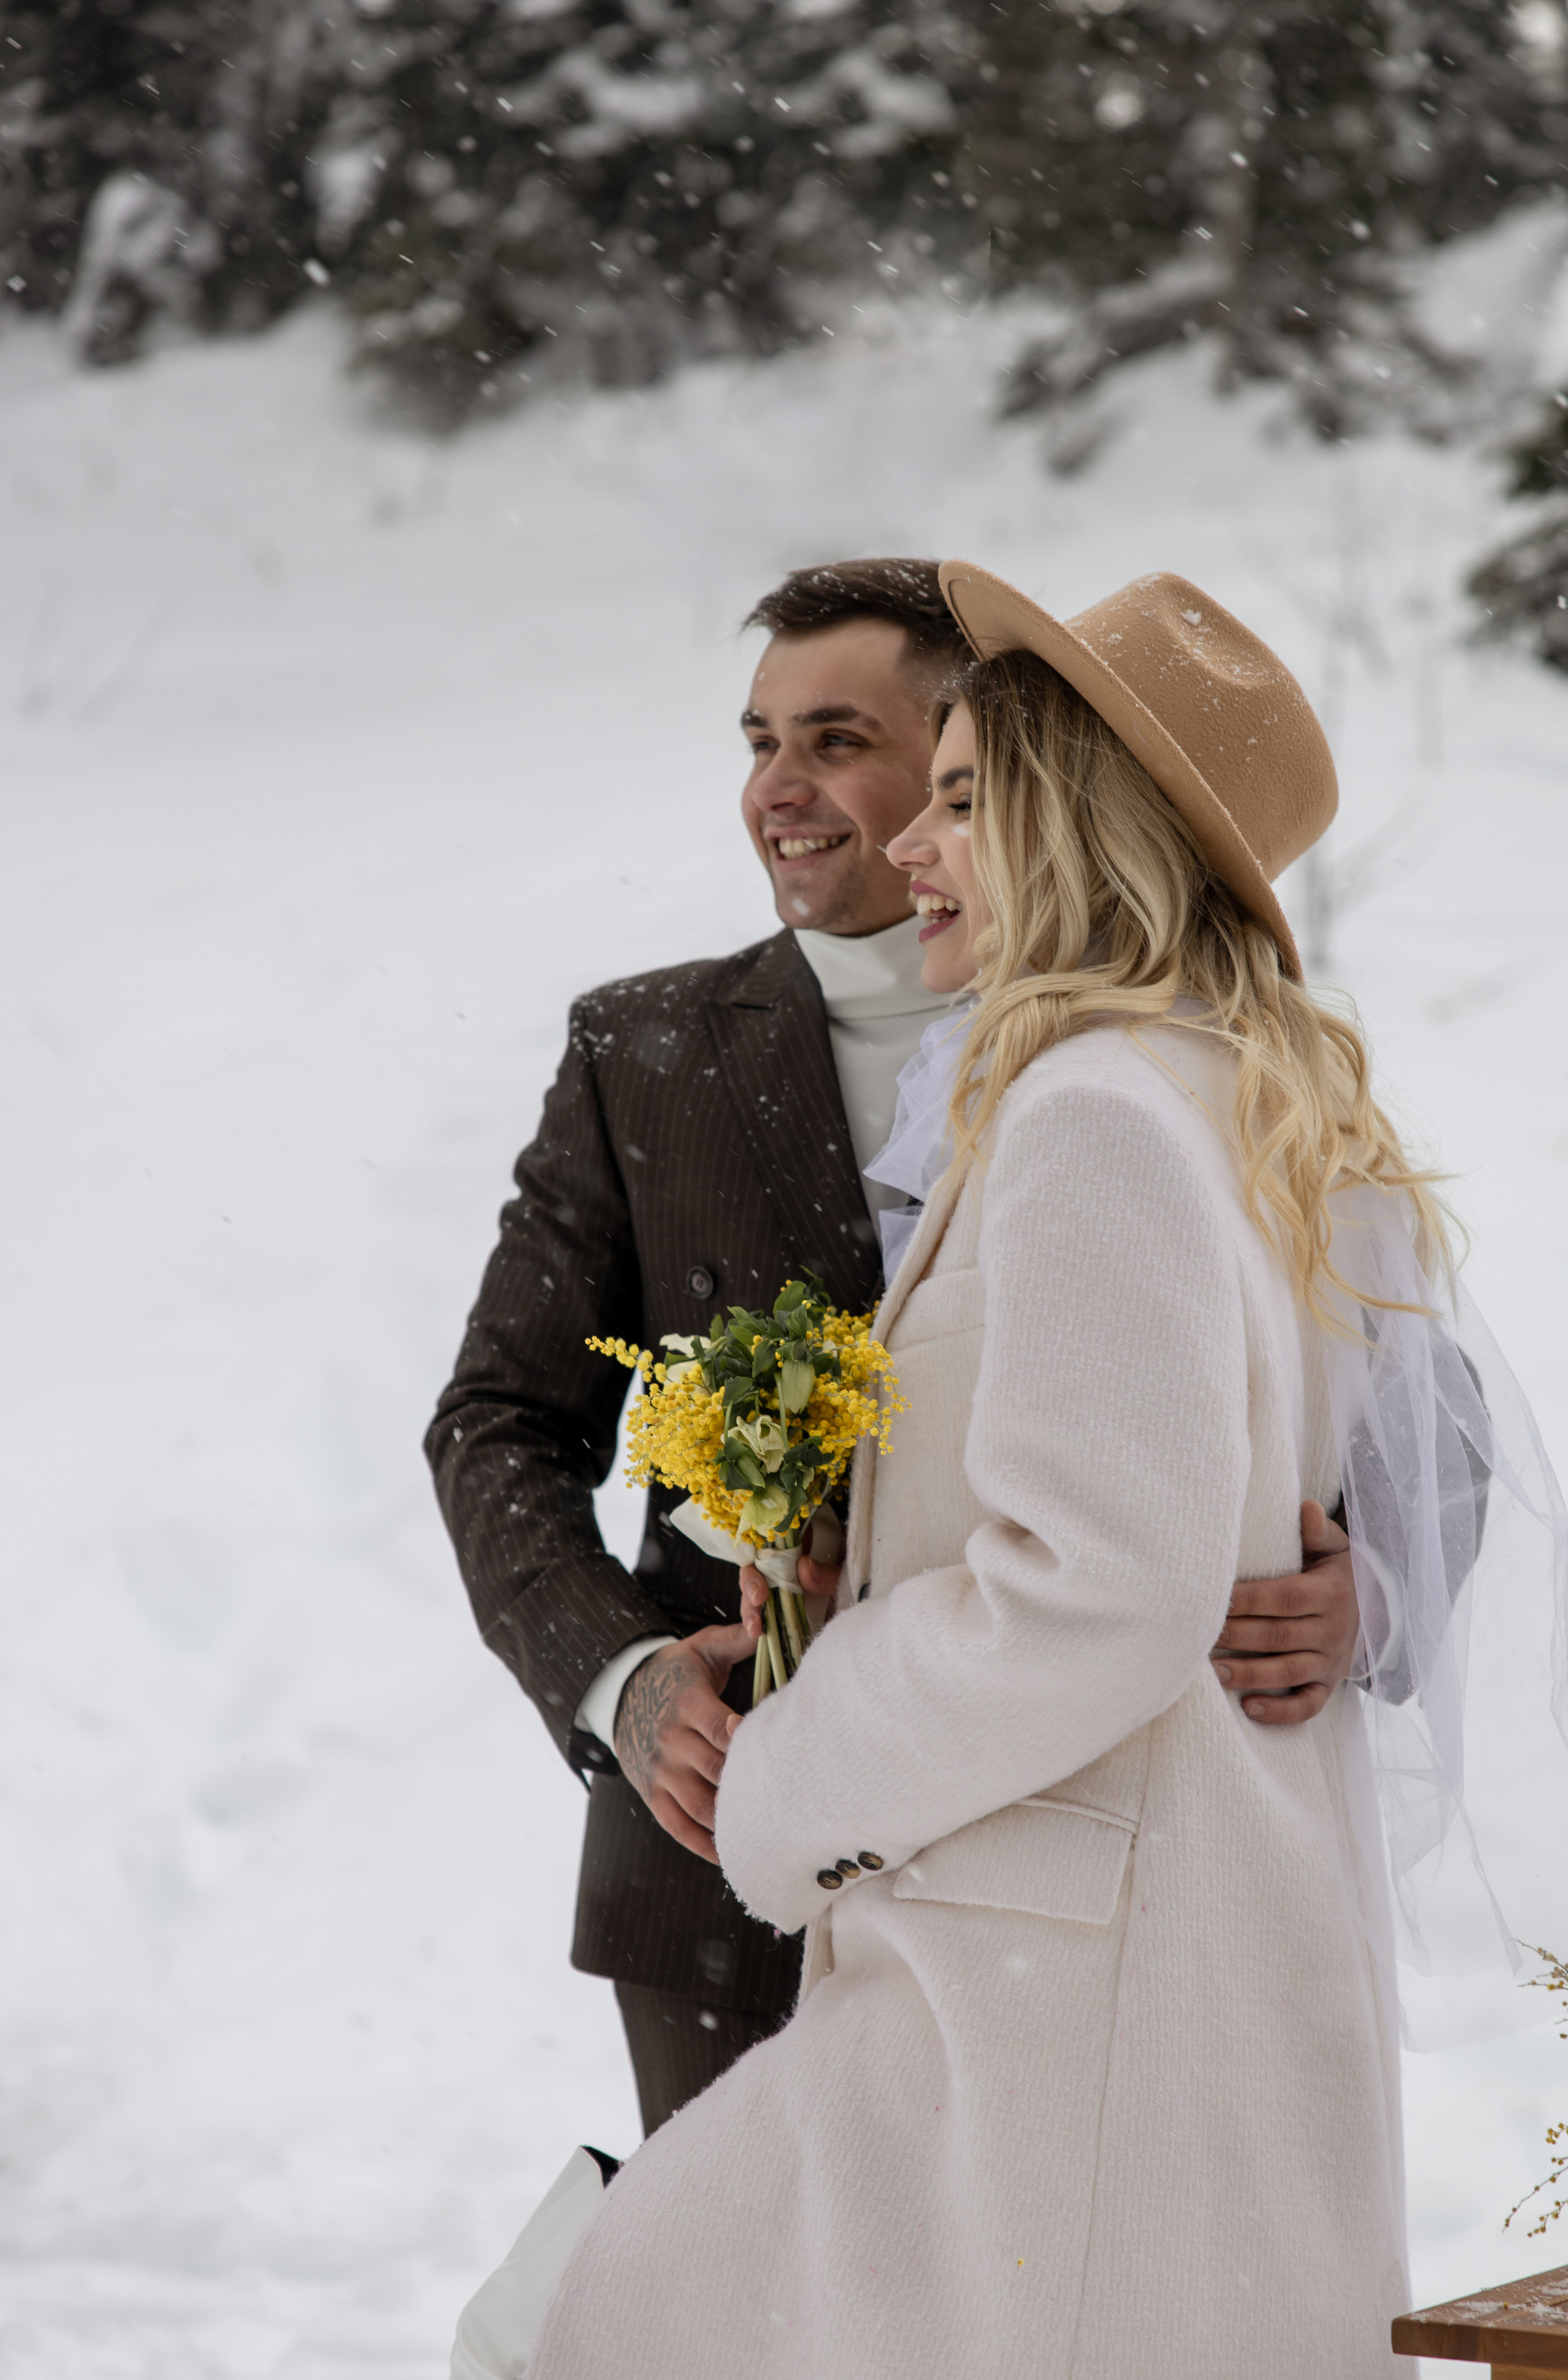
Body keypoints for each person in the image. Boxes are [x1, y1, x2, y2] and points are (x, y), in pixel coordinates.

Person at [430, 560, 1499, 2380]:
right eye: (774, 741)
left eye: (935, 779)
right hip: (1052, 1918)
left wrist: (798, 1765)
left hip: (1019, 1927)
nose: (881, 817)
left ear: (1073, 821)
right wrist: (672, 1677)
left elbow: (1120, 1564)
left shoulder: (1096, 1101)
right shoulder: (1248, 1085)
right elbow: (506, 1422)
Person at [425, 557, 1361, 2140]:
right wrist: (627, 1681)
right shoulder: (640, 1052)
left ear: (977, 760)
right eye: (754, 741)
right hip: (724, 1846)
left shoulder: (1178, 1063)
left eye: (837, 741)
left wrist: (1356, 1589)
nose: (777, 793)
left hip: (1070, 1850)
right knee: (719, 2352)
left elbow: (1362, 1411)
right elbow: (497, 1422)